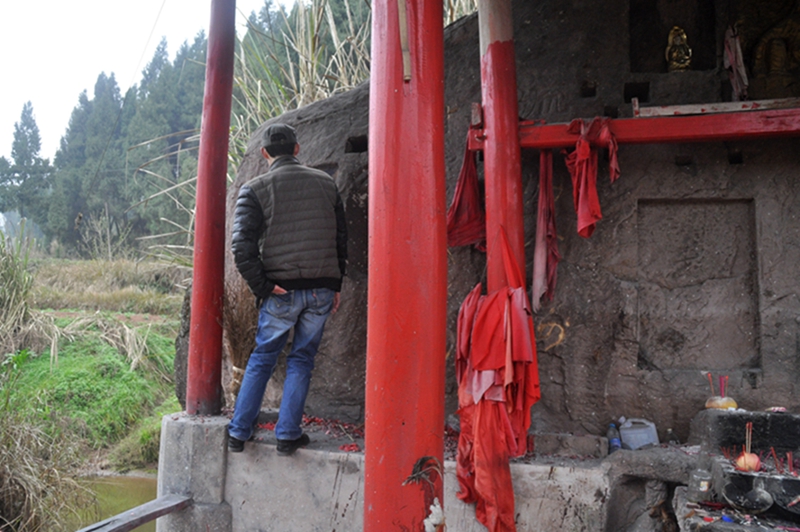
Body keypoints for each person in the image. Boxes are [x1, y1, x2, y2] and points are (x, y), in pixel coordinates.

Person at [227, 123, 347, 455]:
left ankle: (238, 432)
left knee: (262, 358)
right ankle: (287, 435)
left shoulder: (255, 189)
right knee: (302, 359)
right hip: (321, 288)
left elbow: (241, 248)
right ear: (296, 149)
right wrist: (335, 283)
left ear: (264, 153)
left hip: (281, 291)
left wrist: (263, 286)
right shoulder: (326, 183)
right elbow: (341, 238)